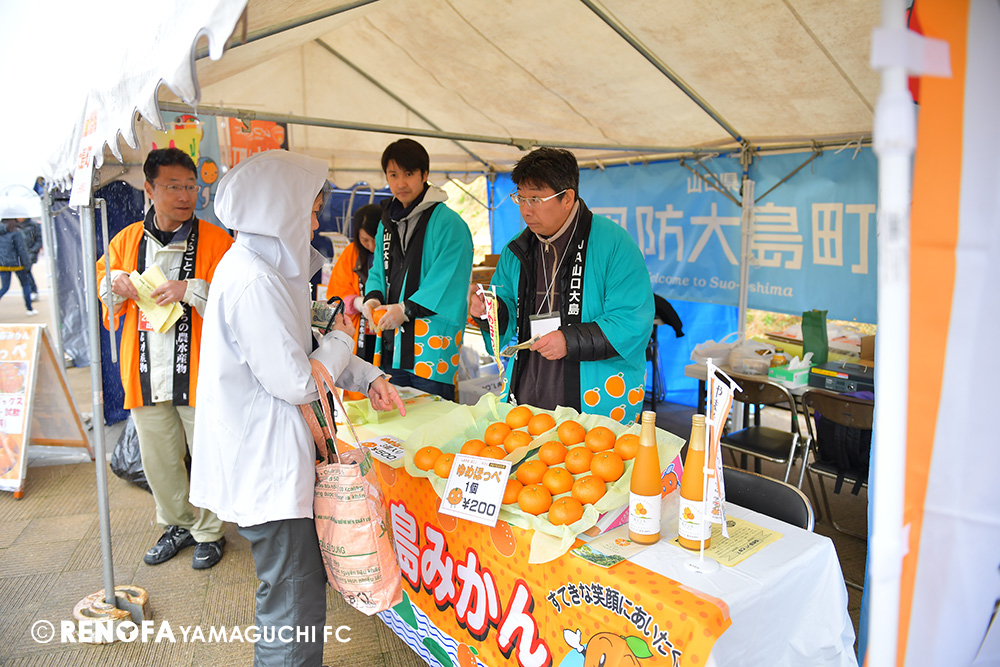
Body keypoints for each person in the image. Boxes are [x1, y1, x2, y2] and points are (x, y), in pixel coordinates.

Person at [189, 150, 404, 667]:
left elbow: (305, 345)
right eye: (309, 211)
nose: (314, 223)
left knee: (295, 592)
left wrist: (366, 373)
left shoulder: (265, 268)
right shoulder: (254, 280)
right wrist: (344, 338)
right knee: (292, 600)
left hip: (274, 453)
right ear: (277, 209)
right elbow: (298, 379)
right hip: (268, 464)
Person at [96, 147, 233, 569]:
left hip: (199, 371)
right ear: (149, 189)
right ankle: (178, 523)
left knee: (207, 454)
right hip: (144, 370)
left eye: (190, 186)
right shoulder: (125, 242)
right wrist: (114, 282)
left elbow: (237, 301)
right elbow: (104, 290)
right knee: (158, 459)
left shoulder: (217, 241)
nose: (185, 195)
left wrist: (190, 289)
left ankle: (209, 531)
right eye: (173, 186)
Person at [469, 147, 654, 424]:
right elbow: (505, 308)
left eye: (535, 198)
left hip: (591, 393)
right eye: (520, 197)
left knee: (592, 451)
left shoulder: (614, 243)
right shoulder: (517, 250)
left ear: (567, 198)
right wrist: (487, 311)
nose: (525, 209)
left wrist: (569, 340)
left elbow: (631, 320)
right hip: (529, 386)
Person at [361, 138, 474, 401]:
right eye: (393, 175)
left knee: (434, 421)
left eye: (409, 174)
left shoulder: (450, 224)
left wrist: (405, 309)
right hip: (391, 345)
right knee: (394, 419)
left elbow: (448, 281)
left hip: (430, 350)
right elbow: (378, 270)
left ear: (425, 174)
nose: (401, 183)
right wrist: (373, 298)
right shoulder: (386, 223)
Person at [325, 203, 382, 362]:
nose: (372, 246)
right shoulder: (351, 253)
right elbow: (335, 296)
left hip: (386, 329)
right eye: (365, 240)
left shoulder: (391, 252)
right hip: (359, 332)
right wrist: (359, 303)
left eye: (375, 239)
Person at [0, 219, 35, 315]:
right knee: (26, 285)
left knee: (4, 287)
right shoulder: (16, 232)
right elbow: (21, 250)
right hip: (18, 264)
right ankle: (29, 309)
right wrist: (27, 265)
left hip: (3, 264)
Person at [18, 218, 42, 301]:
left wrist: (32, 250)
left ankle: (32, 291)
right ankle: (29, 291)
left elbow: (39, 239)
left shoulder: (33, 225)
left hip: (29, 252)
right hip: (19, 253)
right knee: (23, 273)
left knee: (26, 272)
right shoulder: (13, 225)